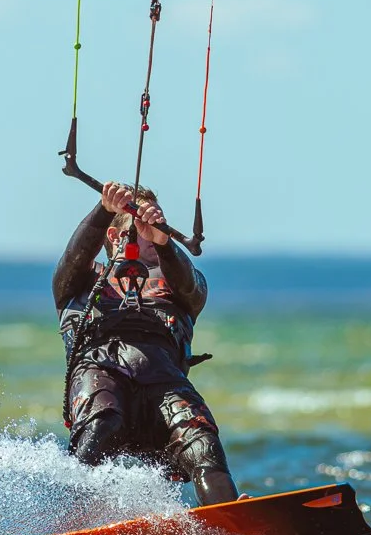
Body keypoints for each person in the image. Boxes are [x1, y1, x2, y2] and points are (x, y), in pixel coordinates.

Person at [52, 181, 240, 506]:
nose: (151, 231)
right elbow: (73, 258)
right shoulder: (80, 284)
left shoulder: (178, 284)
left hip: (163, 385)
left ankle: (230, 517)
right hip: (101, 377)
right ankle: (70, 514)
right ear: (114, 237)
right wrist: (104, 211)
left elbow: (193, 287)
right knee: (102, 423)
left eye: (157, 223)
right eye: (142, 226)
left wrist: (165, 244)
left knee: (201, 441)